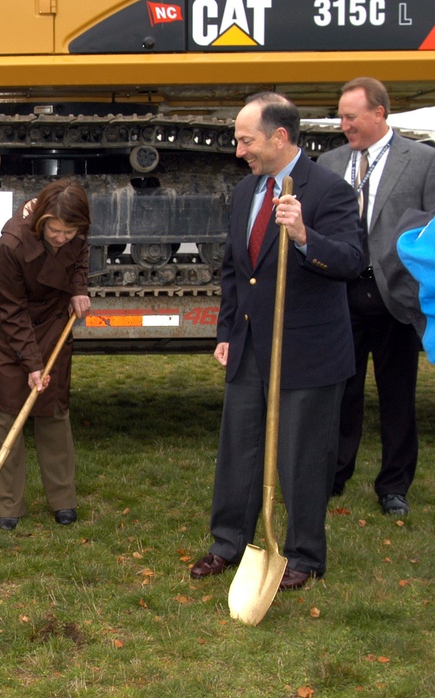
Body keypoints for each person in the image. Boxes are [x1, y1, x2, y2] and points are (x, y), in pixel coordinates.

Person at [189, 93, 364, 590]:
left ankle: (304, 555)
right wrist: (226, 331)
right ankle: (228, 543)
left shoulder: (327, 190)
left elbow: (351, 261)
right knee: (239, 449)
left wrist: (306, 237)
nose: (240, 150)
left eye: (247, 140)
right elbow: (234, 270)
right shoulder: (247, 191)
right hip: (249, 346)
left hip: (307, 351)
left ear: (279, 137)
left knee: (301, 455)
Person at [317, 77, 435, 516]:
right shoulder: (330, 163)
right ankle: (335, 474)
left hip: (394, 295)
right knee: (341, 391)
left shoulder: (422, 161)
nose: (343, 124)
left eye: (350, 116)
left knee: (397, 393)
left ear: (379, 113)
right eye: (341, 116)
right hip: (341, 293)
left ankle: (393, 486)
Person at [0, 179, 92, 531]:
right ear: (41, 220)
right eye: (55, 231)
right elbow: (11, 309)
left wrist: (78, 289)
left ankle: (63, 499)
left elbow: (80, 256)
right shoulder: (11, 244)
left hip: (53, 322)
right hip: (7, 329)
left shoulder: (77, 230)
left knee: (53, 409)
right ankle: (8, 503)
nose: (62, 238)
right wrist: (32, 363)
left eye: (68, 232)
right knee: (7, 411)